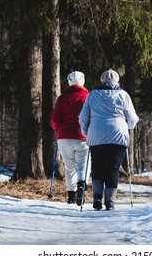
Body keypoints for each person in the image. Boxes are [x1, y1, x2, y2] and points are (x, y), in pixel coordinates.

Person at [79, 69, 139, 210]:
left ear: (102, 80)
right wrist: (127, 126)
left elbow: (83, 117)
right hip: (117, 135)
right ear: (117, 80)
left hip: (96, 135)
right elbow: (132, 118)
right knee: (113, 168)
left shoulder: (92, 95)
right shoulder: (123, 95)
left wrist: (86, 131)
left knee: (97, 167)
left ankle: (97, 198)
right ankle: (110, 201)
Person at [50, 71, 90, 205]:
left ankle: (71, 196)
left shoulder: (62, 98)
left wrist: (58, 129)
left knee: (69, 167)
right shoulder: (88, 97)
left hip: (64, 136)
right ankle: (81, 186)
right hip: (83, 136)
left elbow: (55, 120)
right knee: (83, 166)